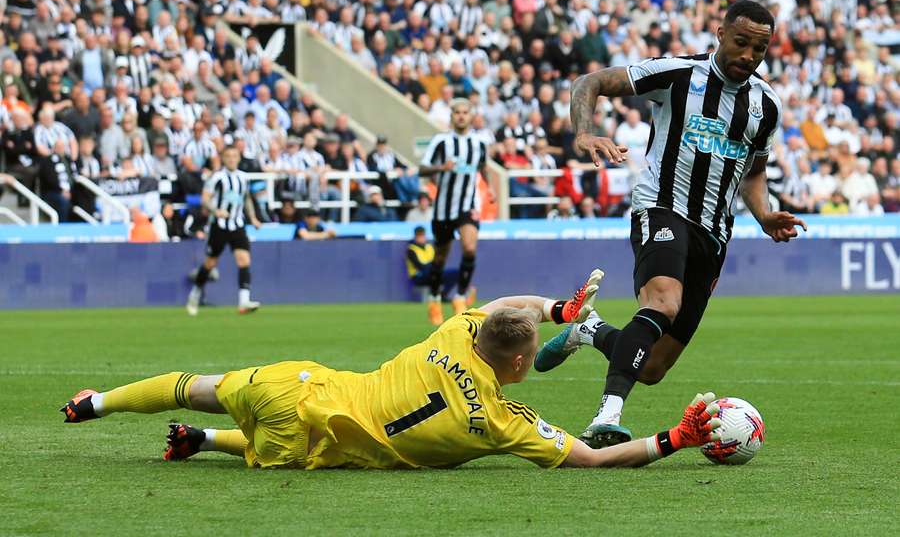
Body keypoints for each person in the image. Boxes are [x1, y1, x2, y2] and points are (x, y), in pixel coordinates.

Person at [59, 274, 723, 470]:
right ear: (519, 364)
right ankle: (207, 444)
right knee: (283, 447)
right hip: (327, 437)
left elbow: (496, 307)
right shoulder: (497, 421)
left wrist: (554, 308)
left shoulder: (454, 331)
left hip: (304, 381)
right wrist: (677, 438)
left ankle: (97, 404)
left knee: (198, 388)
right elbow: (591, 459)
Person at [541, 1, 807, 449]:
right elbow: (590, 82)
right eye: (741, 42)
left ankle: (590, 330)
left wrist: (764, 215)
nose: (748, 55)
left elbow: (754, 169)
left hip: (714, 233)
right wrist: (584, 132)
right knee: (663, 302)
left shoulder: (766, 105)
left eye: (759, 48)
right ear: (720, 33)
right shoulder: (678, 74)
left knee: (652, 368)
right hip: (662, 207)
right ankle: (607, 416)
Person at [418, 99, 488, 325]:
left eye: (465, 112)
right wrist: (441, 167)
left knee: (469, 248)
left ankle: (460, 296)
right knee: (440, 257)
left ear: (471, 116)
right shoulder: (441, 141)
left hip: (468, 205)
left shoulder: (479, 143)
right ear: (451, 116)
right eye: (457, 112)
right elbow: (422, 168)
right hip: (444, 208)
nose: (461, 116)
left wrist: (492, 189)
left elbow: (482, 167)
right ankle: (435, 300)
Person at [186, 145, 262, 316]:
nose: (231, 159)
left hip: (237, 224)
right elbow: (204, 199)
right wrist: (216, 211)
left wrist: (253, 218)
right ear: (223, 158)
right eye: (228, 156)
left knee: (244, 260)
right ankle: (195, 293)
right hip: (219, 226)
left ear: (239, 158)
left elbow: (246, 198)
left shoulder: (243, 177)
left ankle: (244, 301)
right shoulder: (217, 177)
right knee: (210, 263)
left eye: (234, 156)